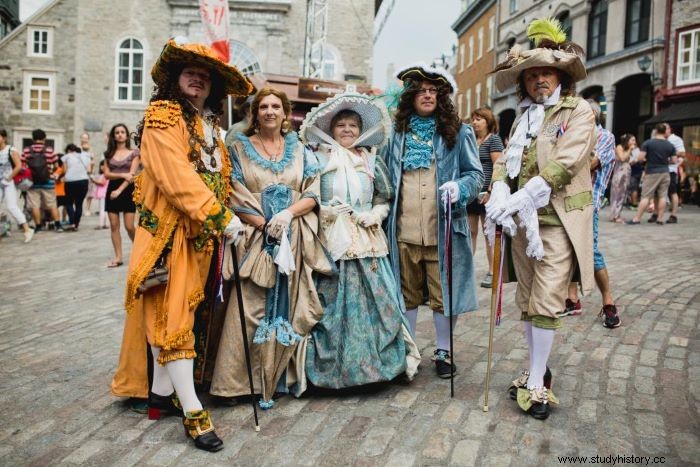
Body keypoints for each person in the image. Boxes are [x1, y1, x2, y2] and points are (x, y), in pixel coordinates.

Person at [117, 38, 252, 452]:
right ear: (175, 79)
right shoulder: (162, 116)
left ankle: (160, 395)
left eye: (205, 75)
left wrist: (244, 208)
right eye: (190, 72)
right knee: (172, 319)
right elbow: (176, 177)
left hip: (201, 238)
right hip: (169, 235)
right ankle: (194, 412)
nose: (198, 78)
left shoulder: (208, 125)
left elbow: (219, 177)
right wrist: (219, 216)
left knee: (181, 315)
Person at [485, 17, 596, 419]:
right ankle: (537, 368)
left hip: (558, 222)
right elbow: (507, 163)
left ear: (561, 75)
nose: (539, 80)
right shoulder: (523, 116)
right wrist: (499, 187)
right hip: (522, 227)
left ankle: (536, 383)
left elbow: (566, 162)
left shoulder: (578, 111)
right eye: (531, 75)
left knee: (547, 301)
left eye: (546, 72)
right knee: (528, 299)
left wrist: (522, 198)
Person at [210, 87, 334, 408]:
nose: (269, 111)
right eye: (263, 106)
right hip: (255, 239)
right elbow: (234, 193)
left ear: (285, 112)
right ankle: (237, 383)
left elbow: (313, 192)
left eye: (275, 106)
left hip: (292, 240)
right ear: (255, 113)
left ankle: (279, 379)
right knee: (249, 307)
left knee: (288, 308)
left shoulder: (302, 150)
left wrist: (287, 214)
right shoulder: (238, 149)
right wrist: (265, 224)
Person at [298, 92, 421, 389]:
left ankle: (378, 368)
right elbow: (308, 194)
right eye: (341, 125)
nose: (347, 131)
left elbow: (384, 195)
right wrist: (325, 211)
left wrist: (376, 214)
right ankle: (335, 371)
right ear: (331, 129)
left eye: (353, 125)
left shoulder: (369, 159)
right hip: (332, 238)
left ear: (360, 130)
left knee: (378, 302)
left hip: (367, 237)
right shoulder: (318, 159)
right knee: (334, 303)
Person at [383, 63, 484, 379]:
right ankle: (409, 351)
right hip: (403, 231)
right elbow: (383, 178)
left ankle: (444, 350)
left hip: (444, 231)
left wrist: (461, 188)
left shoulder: (460, 132)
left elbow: (475, 176)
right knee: (406, 292)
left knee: (445, 294)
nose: (427, 95)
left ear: (441, 97)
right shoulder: (395, 135)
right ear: (410, 97)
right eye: (421, 91)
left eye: (433, 91)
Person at [560, 101, 621, 329]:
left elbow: (589, 164)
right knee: (569, 249)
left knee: (591, 252)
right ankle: (573, 299)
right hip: (567, 202)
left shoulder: (604, 136)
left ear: (591, 116)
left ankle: (608, 302)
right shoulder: (572, 135)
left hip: (588, 203)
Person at [467, 107, 504, 288]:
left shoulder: (494, 140)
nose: (475, 122)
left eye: (479, 119)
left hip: (486, 194)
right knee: (470, 233)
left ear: (488, 121)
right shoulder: (471, 140)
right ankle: (466, 270)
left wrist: (490, 191)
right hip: (471, 194)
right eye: (473, 119)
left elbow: (499, 167)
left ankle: (492, 271)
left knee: (488, 233)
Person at [103, 124, 140, 267]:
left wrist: (119, 190)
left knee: (130, 226)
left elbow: (131, 176)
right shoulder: (108, 154)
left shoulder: (134, 153)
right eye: (117, 132)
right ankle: (118, 257)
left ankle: (141, 252)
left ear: (126, 135)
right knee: (114, 225)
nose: (120, 134)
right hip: (111, 190)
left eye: (122, 132)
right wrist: (121, 174)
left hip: (127, 189)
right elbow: (106, 174)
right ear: (114, 135)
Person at [626, 123, 676, 225]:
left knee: (645, 196)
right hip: (665, 172)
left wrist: (647, 159)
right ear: (664, 131)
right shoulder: (670, 145)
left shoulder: (648, 143)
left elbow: (640, 158)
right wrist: (665, 162)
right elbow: (674, 160)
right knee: (662, 196)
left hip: (652, 172)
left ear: (656, 131)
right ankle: (660, 219)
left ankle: (637, 218)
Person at [22, 129, 63, 232]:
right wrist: (52, 173)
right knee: (52, 204)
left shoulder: (26, 150)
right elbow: (57, 165)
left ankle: (38, 226)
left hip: (32, 182)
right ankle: (58, 225)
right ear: (44, 138)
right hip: (47, 181)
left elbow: (22, 166)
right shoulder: (49, 150)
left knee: (35, 205)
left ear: (33, 138)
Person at [0, 128, 34, 242]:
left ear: (3, 138)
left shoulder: (11, 149)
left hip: (9, 182)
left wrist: (8, 178)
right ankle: (4, 228)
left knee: (11, 206)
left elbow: (18, 166)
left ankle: (27, 230)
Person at [62, 143, 93, 231]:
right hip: (83, 181)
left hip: (70, 181)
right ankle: (76, 224)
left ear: (68, 150)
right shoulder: (85, 156)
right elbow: (89, 169)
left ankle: (72, 223)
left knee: (69, 202)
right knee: (79, 204)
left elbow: (65, 170)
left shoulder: (67, 156)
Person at [608, 134, 636, 223]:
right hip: (619, 174)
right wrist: (630, 149)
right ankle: (614, 216)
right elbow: (622, 158)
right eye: (632, 140)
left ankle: (617, 214)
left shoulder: (627, 149)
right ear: (627, 141)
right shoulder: (619, 147)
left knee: (622, 195)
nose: (634, 142)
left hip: (626, 173)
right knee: (616, 194)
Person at [662, 123, 685, 223]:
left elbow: (683, 153)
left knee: (672, 192)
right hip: (660, 168)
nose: (663, 130)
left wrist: (670, 153)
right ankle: (656, 214)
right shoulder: (660, 139)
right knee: (658, 193)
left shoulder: (676, 139)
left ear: (669, 129)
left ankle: (673, 215)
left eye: (665, 128)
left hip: (671, 169)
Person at [91, 161, 109, 229]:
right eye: (101, 165)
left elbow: (102, 183)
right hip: (104, 194)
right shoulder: (105, 174)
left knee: (102, 209)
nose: (102, 167)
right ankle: (106, 224)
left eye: (104, 165)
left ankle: (101, 224)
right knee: (105, 210)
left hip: (103, 194)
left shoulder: (105, 175)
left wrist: (94, 180)